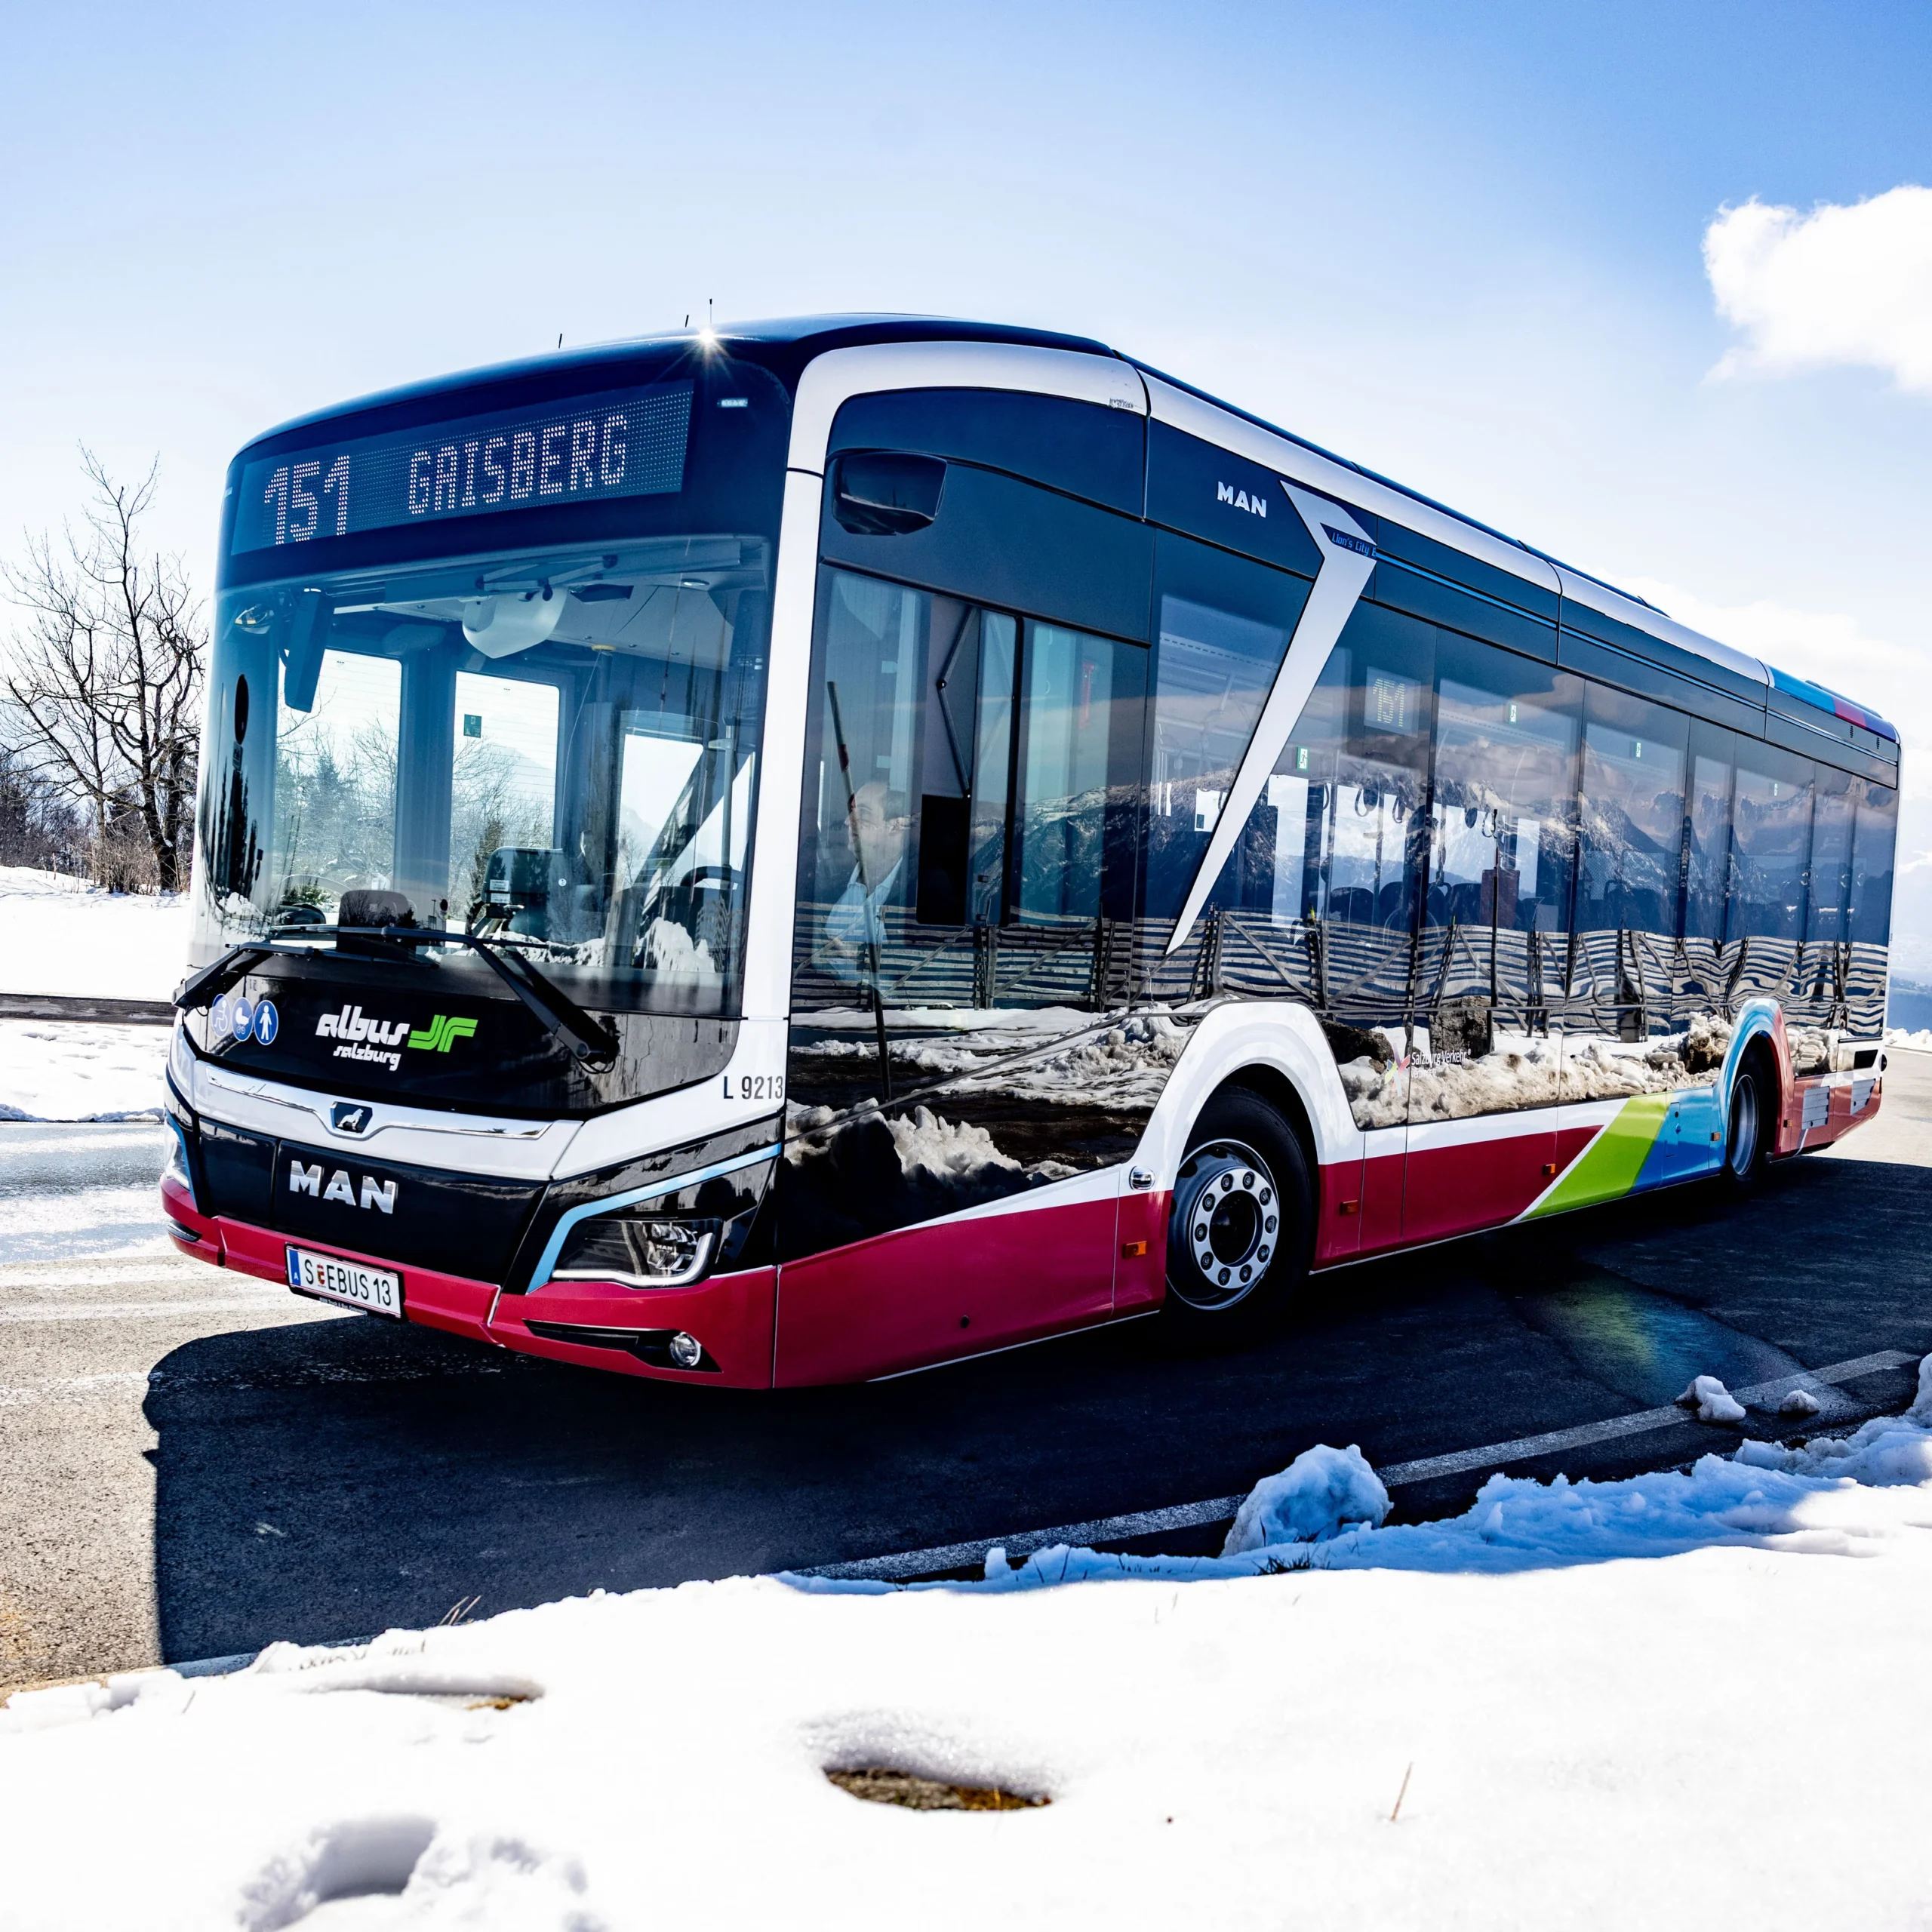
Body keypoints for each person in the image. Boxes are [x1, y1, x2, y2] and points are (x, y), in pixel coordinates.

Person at [820, 780, 910, 979]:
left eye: (863, 813)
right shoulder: (827, 889)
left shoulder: (919, 896)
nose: (848, 821)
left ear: (896, 826)